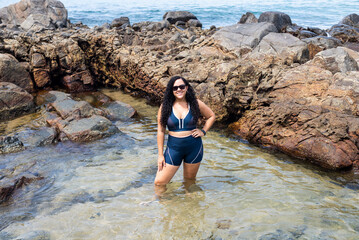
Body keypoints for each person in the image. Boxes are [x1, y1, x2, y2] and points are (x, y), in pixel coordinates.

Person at [154, 76, 215, 185]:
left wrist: (203, 131)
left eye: (181, 86)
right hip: (173, 149)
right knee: (159, 182)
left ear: (186, 88)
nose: (179, 90)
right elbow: (161, 131)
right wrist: (160, 155)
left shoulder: (195, 103)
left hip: (194, 148)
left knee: (189, 182)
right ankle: (159, 201)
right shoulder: (165, 107)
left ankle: (188, 201)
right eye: (175, 88)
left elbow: (211, 116)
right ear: (171, 90)